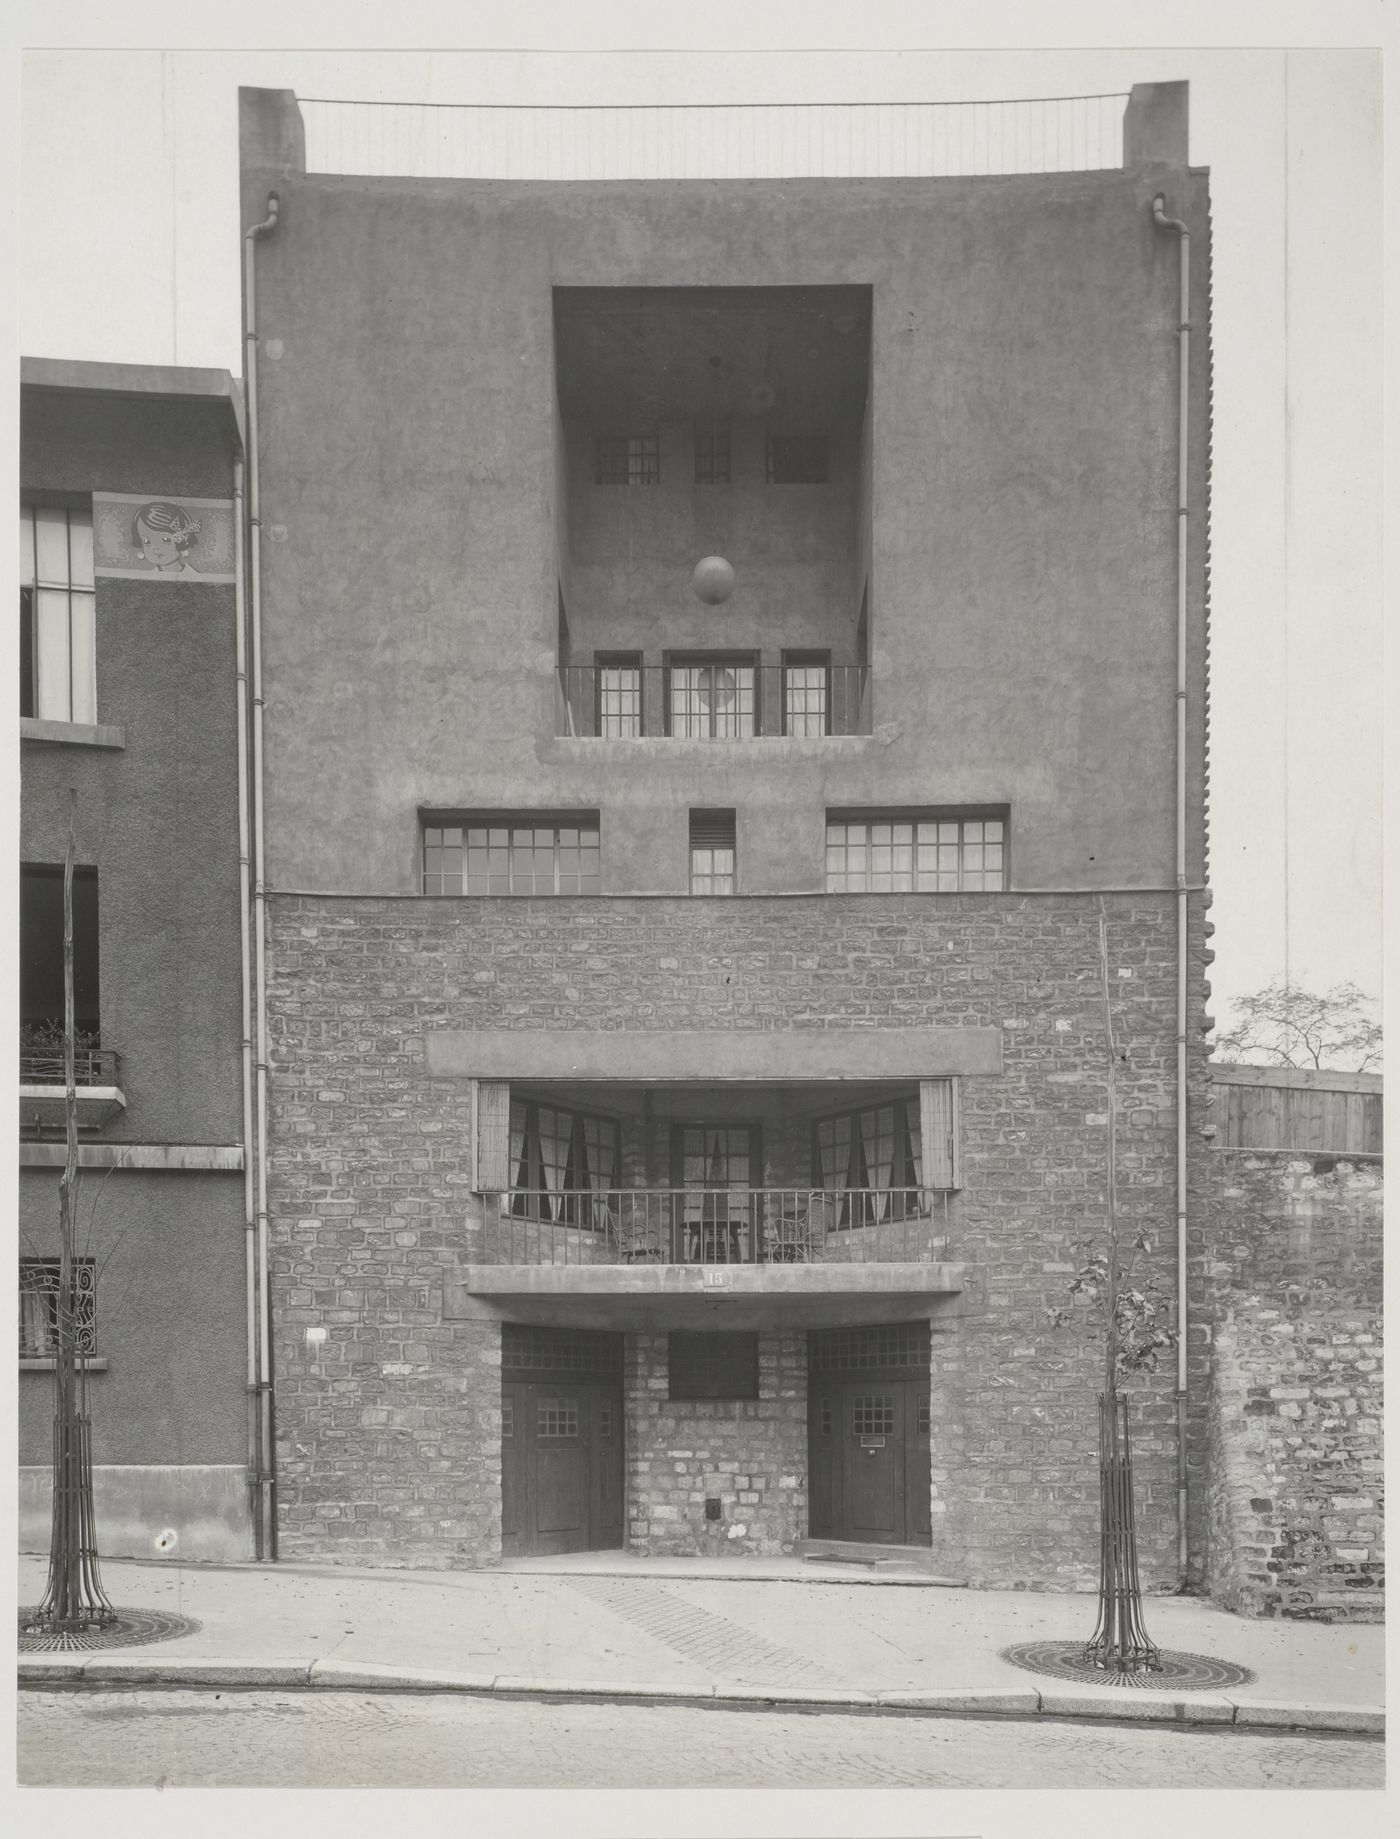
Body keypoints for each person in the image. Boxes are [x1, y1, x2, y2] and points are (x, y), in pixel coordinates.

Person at [131, 501, 202, 574]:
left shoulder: (194, 576)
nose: (155, 547)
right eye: (147, 541)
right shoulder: (148, 576)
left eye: (165, 540)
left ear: (182, 540)